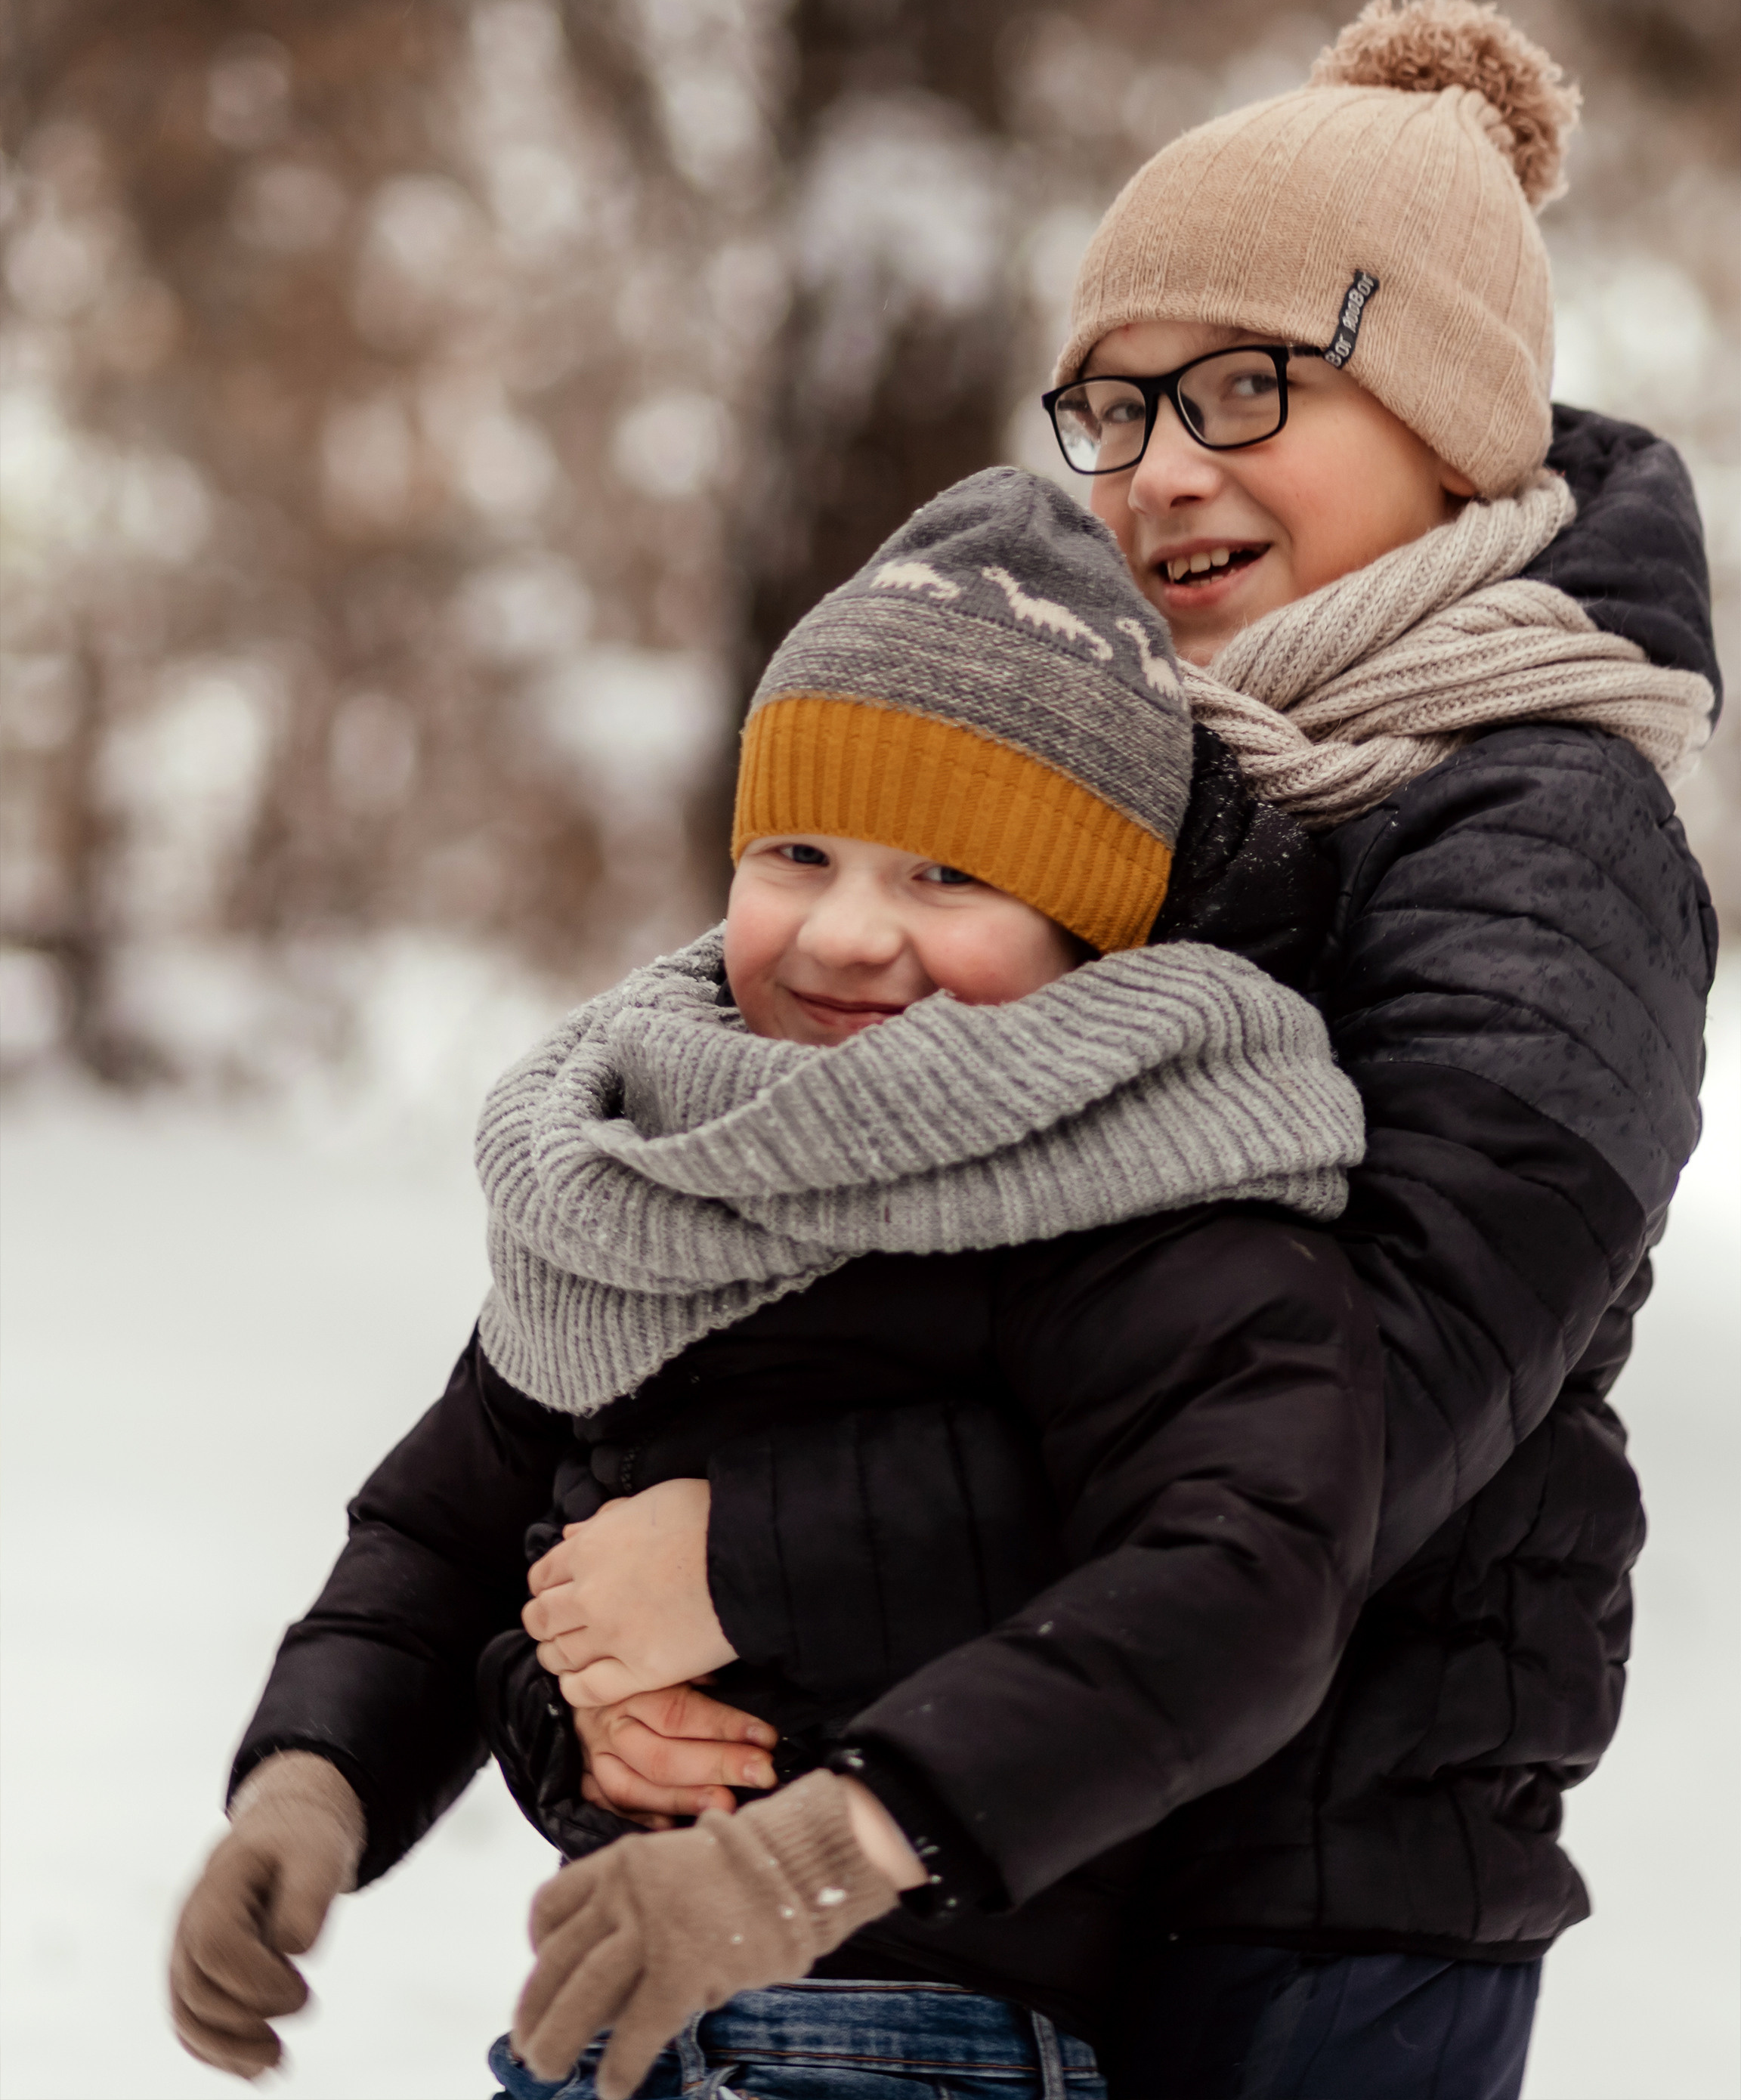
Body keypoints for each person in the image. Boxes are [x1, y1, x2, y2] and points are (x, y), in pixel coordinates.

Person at [533, 0, 1718, 2100]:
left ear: (1449, 414)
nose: (1162, 469)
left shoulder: (1546, 823)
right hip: (1054, 1832)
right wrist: (580, 1677)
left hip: (1332, 1897)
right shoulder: (1139, 787)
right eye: (1111, 407)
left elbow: (1355, 1414)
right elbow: (863, 1288)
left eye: (1246, 388)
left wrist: (748, 1558)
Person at [169, 470, 1382, 2098]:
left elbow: (1238, 1576)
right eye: (796, 852)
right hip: (611, 2023)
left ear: (1091, 921)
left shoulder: (1153, 1190)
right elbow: (452, 1524)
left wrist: (816, 1846)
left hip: (928, 2037)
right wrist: (312, 1784)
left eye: (949, 876)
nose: (847, 933)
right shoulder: (658, 1176)